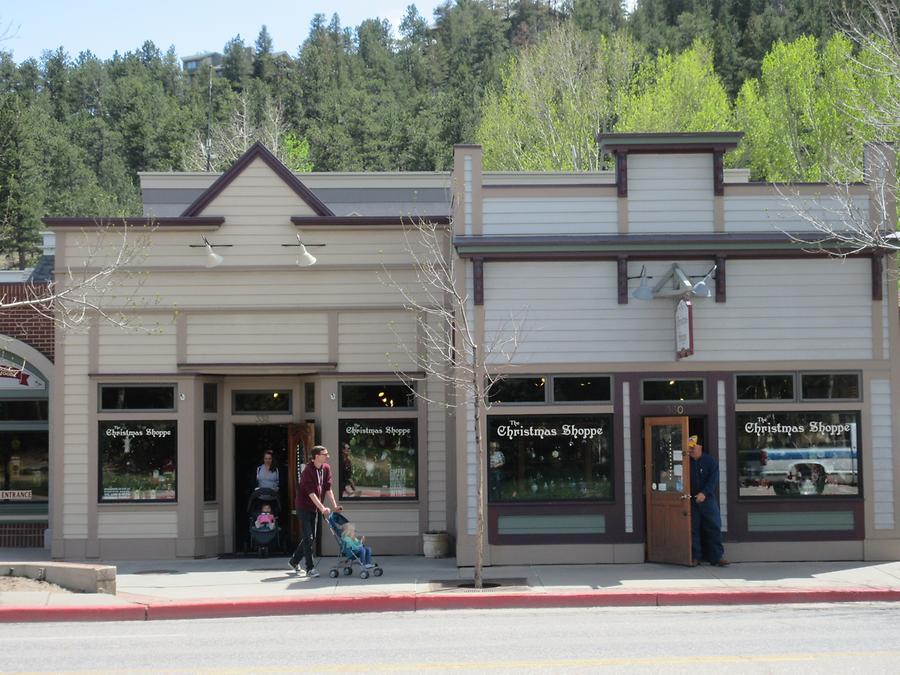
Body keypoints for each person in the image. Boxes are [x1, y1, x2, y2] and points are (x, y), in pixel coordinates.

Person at [288, 445, 341, 577]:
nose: (327, 456)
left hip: (315, 508)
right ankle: (310, 568)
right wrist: (322, 508)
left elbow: (328, 488)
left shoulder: (326, 468)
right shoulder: (307, 471)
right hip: (304, 506)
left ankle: (294, 561)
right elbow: (311, 493)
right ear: (317, 456)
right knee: (309, 536)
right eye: (325, 454)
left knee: (310, 538)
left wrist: (334, 506)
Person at [688, 435, 728, 567]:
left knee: (714, 526)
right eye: (689, 447)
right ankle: (695, 557)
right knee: (693, 529)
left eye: (693, 447)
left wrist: (704, 493)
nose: (691, 450)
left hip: (708, 499)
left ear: (700, 447)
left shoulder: (710, 461)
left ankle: (717, 557)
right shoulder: (685, 462)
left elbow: (713, 480)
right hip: (691, 499)